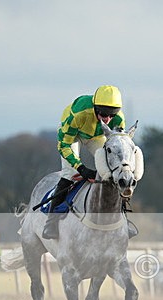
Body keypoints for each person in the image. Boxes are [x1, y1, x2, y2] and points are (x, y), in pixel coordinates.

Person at [43, 85, 125, 239]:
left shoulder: (119, 120)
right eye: (102, 114)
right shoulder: (79, 114)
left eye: (111, 115)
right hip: (72, 135)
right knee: (70, 173)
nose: (107, 119)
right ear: (95, 108)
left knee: (112, 170)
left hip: (95, 137)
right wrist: (81, 168)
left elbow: (116, 145)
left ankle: (123, 217)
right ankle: (51, 222)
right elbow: (63, 145)